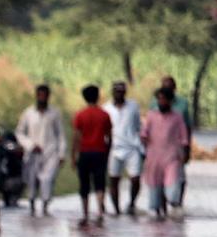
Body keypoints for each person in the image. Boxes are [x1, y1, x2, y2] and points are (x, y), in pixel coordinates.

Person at [15, 84, 65, 216]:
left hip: (50, 152)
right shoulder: (28, 113)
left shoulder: (54, 113)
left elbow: (60, 134)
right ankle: (31, 206)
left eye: (45, 95)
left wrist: (61, 154)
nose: (42, 98)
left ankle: (45, 207)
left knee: (47, 179)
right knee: (31, 180)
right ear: (36, 96)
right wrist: (30, 145)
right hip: (33, 153)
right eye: (40, 95)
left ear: (48, 96)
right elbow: (20, 133)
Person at [141, 87, 191, 219]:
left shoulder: (177, 117)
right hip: (153, 158)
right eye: (159, 99)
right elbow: (144, 133)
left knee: (172, 191)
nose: (161, 102)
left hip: (171, 158)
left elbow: (184, 138)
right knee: (155, 196)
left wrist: (185, 153)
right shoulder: (151, 115)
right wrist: (143, 142)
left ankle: (174, 212)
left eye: (164, 99)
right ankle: (160, 220)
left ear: (170, 101)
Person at [70, 84, 113, 225]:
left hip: (85, 152)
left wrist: (73, 156)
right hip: (100, 152)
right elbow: (109, 136)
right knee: (100, 182)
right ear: (98, 96)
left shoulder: (80, 115)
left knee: (84, 184)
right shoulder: (105, 115)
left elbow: (76, 137)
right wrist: (107, 152)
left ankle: (85, 213)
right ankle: (100, 211)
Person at [104, 80, 143, 216]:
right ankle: (116, 209)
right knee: (114, 179)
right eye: (116, 91)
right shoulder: (107, 108)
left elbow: (138, 126)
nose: (119, 94)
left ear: (125, 92)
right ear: (113, 92)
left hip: (132, 147)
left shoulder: (133, 106)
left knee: (135, 179)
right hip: (114, 148)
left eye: (121, 91)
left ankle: (132, 203)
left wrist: (141, 144)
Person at [160, 75, 195, 208]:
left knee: (180, 177)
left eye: (169, 87)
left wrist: (188, 148)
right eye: (164, 87)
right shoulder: (156, 102)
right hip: (160, 146)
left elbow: (188, 127)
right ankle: (162, 204)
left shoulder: (183, 104)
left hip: (178, 146)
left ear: (175, 89)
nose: (167, 90)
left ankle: (178, 203)